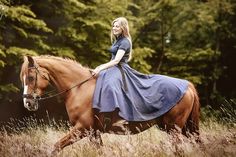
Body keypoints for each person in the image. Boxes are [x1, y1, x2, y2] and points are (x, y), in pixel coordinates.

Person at [92, 17, 189, 123]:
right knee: (100, 79)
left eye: (117, 26)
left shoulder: (124, 42)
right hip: (112, 68)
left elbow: (116, 61)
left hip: (119, 68)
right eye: (113, 26)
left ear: (123, 28)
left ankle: (119, 117)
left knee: (111, 85)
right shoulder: (117, 40)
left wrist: (100, 67)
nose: (114, 28)